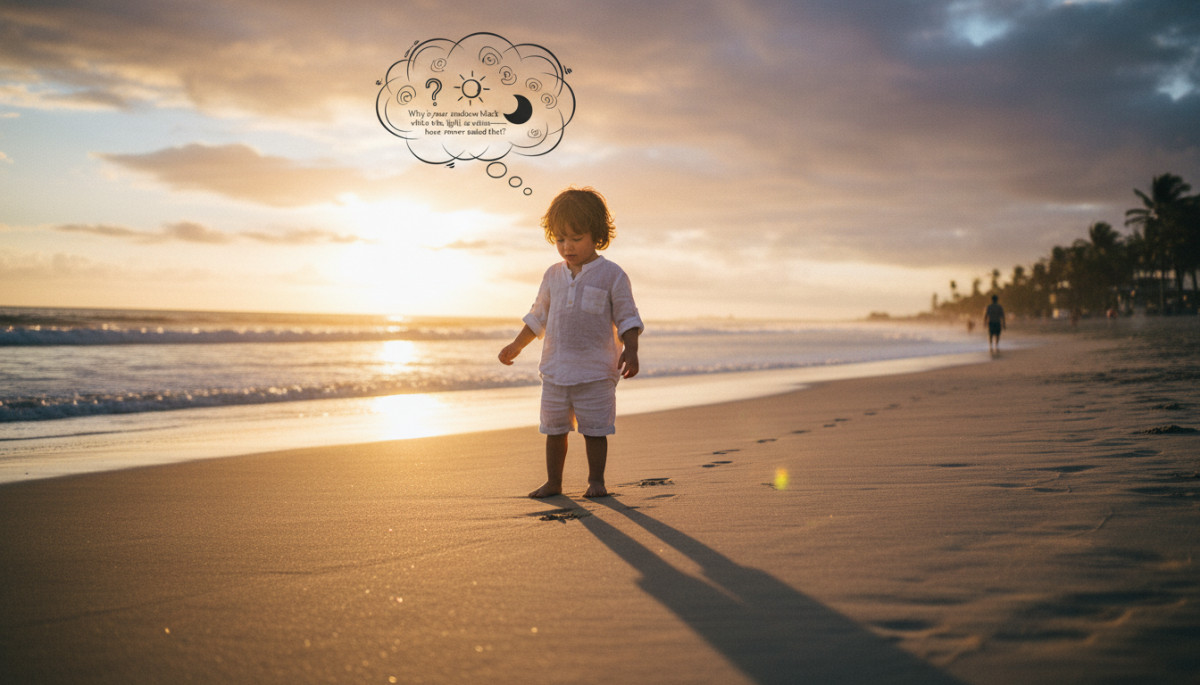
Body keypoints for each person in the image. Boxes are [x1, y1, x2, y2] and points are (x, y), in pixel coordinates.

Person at [498, 187, 643, 498]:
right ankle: (554, 482)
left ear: (597, 235)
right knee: (554, 430)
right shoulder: (553, 275)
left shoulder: (612, 275)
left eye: (576, 238)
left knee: (595, 430)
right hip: (556, 370)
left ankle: (596, 481)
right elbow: (537, 316)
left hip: (596, 371)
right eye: (560, 239)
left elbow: (627, 317)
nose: (567, 247)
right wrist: (516, 345)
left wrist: (631, 350)